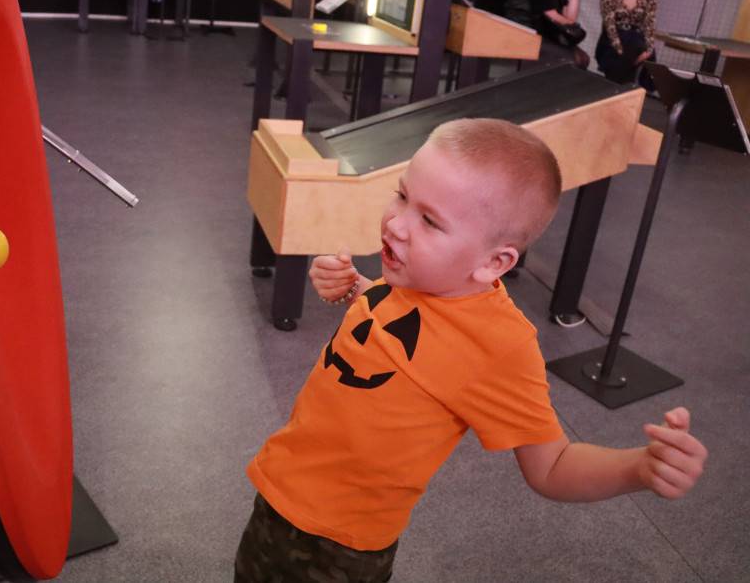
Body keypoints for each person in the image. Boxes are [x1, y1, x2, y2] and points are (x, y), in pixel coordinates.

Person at [234, 118, 707, 583]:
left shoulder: (499, 345)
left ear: (493, 262)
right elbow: (401, 331)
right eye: (401, 195)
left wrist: (639, 469)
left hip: (337, 544)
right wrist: (352, 288)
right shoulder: (417, 274)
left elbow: (553, 466)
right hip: (277, 488)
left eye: (430, 220)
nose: (396, 225)